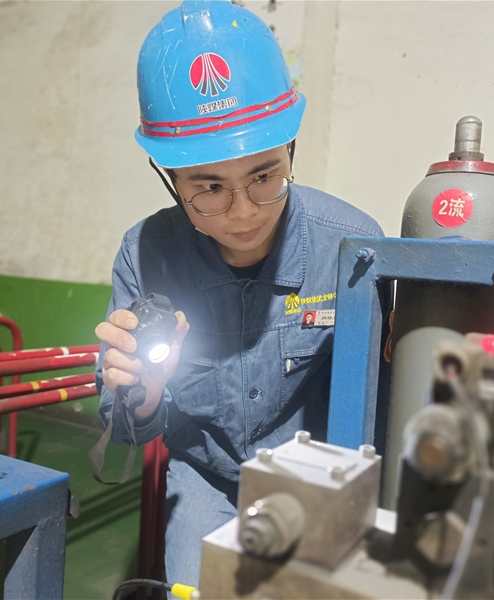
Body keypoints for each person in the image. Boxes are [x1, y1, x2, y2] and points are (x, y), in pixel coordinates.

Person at [94, 0, 383, 589]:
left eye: (264, 176)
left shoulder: (353, 248)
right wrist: (144, 394)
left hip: (318, 480)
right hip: (206, 478)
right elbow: (124, 435)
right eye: (209, 188)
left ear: (290, 151)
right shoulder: (145, 256)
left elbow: (383, 411)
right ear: (169, 176)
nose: (244, 212)